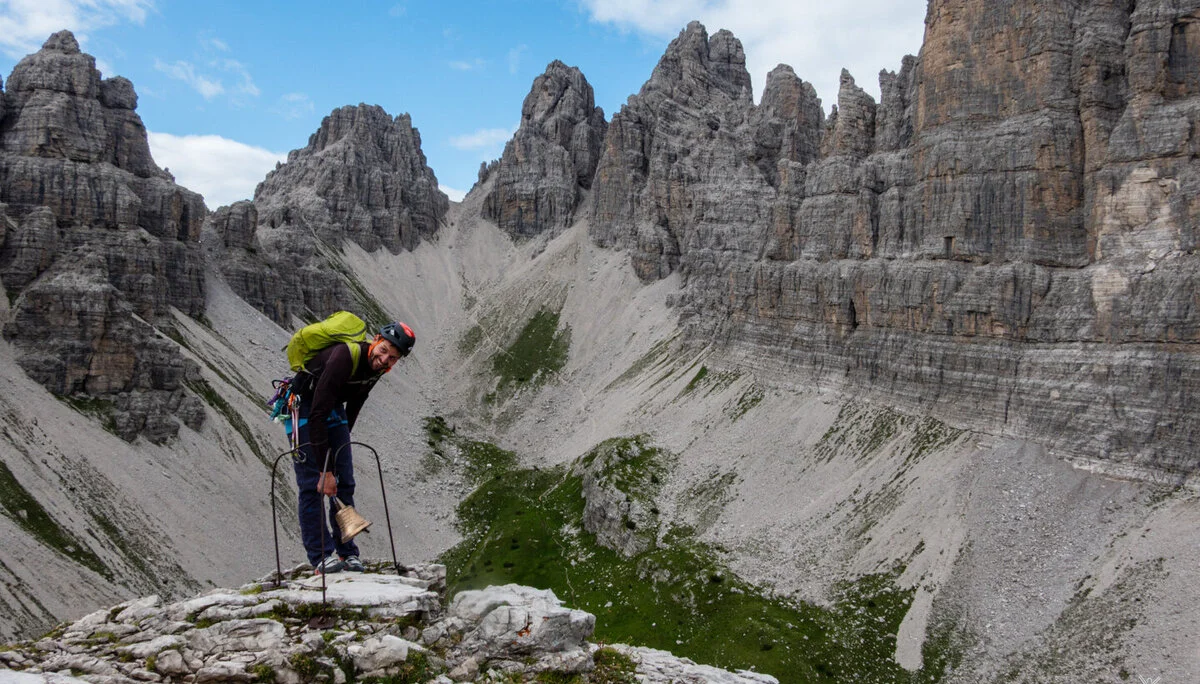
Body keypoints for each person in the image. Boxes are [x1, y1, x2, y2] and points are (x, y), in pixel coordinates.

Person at [286, 321, 415, 574]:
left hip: (332, 410)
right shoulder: (345, 357)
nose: (385, 359)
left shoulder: (378, 369)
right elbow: (317, 415)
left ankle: (347, 552)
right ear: (376, 340)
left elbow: (356, 404)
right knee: (313, 484)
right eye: (384, 350)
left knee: (345, 483)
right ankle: (321, 556)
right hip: (306, 410)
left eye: (393, 357)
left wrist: (341, 447)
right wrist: (326, 470)